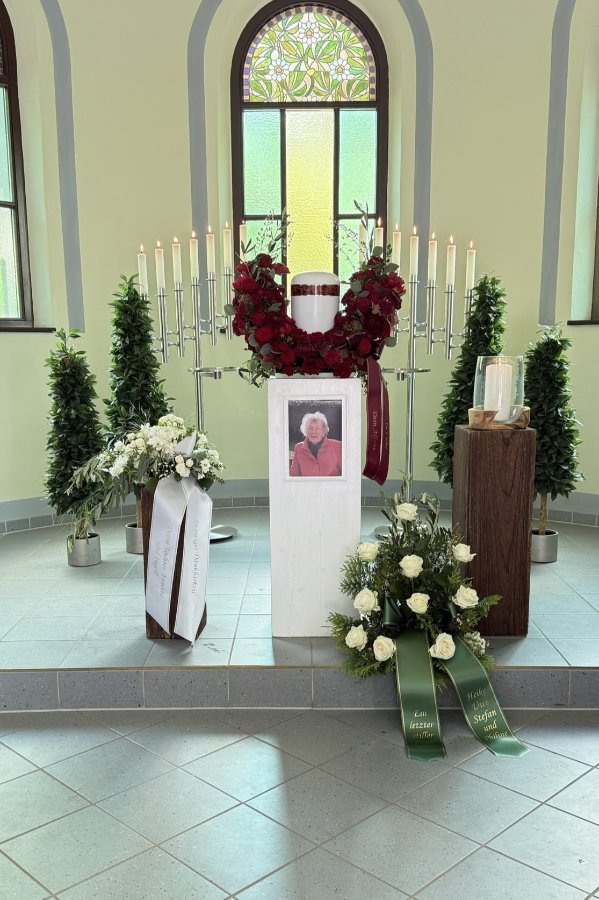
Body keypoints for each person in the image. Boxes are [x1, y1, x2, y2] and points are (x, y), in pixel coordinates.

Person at [289, 411, 342, 477]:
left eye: (317, 428)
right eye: (310, 428)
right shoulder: (298, 448)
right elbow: (294, 475)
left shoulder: (338, 446)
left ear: (324, 430)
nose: (313, 431)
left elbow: (347, 474)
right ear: (305, 430)